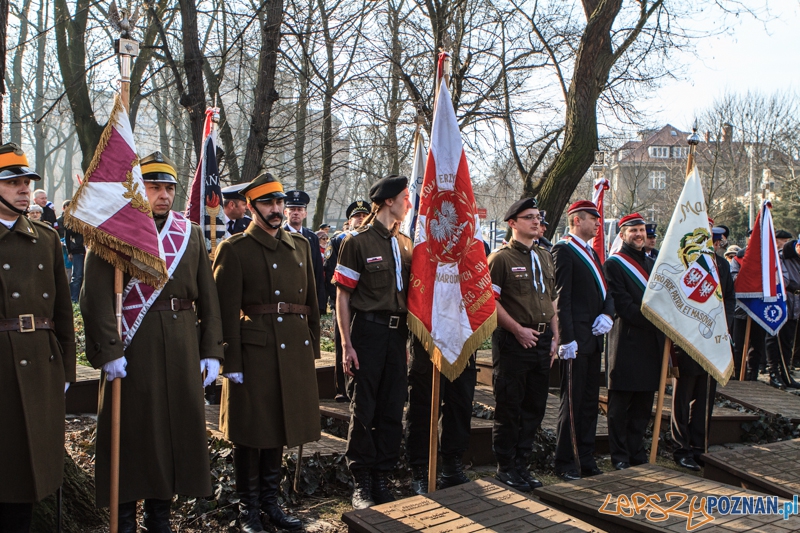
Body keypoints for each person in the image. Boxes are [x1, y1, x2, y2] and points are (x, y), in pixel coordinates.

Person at [80, 151, 224, 533]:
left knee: (173, 435)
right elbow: (93, 298)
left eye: (169, 188)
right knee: (130, 435)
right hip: (133, 349)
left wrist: (211, 351)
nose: (163, 195)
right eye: (154, 186)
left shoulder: (190, 233)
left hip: (181, 347)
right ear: (136, 188)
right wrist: (109, 351)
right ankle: (125, 521)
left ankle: (160, 519)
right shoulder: (113, 231)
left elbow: (209, 299)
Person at [213, 172, 320, 533]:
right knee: (250, 432)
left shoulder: (299, 246)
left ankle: (271, 504)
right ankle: (248, 509)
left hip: (292, 349)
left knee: (279, 425)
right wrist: (229, 359)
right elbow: (223, 310)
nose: (276, 209)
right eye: (268, 203)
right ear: (251, 206)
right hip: (254, 352)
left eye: (279, 202)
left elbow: (311, 301)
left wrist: (311, 344)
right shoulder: (235, 249)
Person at [0, 143, 75, 533]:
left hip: (42, 362)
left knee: (31, 471)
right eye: (13, 183)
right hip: (2, 363)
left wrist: (66, 366)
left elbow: (63, 311)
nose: (24, 189)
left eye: (27, 182)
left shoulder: (46, 238)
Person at [333, 176, 412, 509]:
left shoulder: (405, 244)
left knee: (392, 408)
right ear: (389, 201)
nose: (409, 203)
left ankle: (382, 476)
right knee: (363, 408)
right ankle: (362, 481)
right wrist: (346, 345)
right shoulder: (358, 242)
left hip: (397, 334)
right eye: (405, 197)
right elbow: (342, 297)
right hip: (367, 332)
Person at [485, 197, 557, 492]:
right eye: (529, 217)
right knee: (510, 406)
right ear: (513, 223)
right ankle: (506, 467)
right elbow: (490, 302)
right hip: (514, 341)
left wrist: (555, 336)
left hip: (542, 340)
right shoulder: (500, 259)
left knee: (534, 407)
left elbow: (552, 300)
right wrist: (517, 330)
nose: (536, 221)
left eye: (538, 217)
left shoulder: (545, 256)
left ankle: (522, 464)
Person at [552, 200, 614, 481]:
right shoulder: (564, 250)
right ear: (577, 220)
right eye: (593, 218)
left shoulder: (591, 252)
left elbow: (606, 291)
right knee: (573, 403)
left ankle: (585, 457)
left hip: (594, 338)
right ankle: (566, 461)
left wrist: (608, 314)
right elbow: (561, 298)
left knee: (589, 402)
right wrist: (566, 339)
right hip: (576, 341)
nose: (598, 223)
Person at [671, 226, 734, 471]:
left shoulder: (722, 265)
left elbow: (729, 298)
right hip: (688, 340)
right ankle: (681, 447)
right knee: (683, 396)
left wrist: (723, 326)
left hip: (713, 340)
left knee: (705, 395)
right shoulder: (684, 263)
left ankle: (699, 446)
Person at [603, 213, 663, 470]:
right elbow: (623, 304)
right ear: (623, 234)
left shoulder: (652, 264)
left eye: (641, 230)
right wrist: (657, 321)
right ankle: (619, 456)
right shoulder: (614, 264)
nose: (639, 235)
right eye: (633, 231)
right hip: (625, 343)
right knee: (620, 406)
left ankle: (636, 452)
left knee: (643, 404)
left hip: (651, 344)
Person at [324, 200, 371, 402]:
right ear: (349, 220)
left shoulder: (373, 241)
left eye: (364, 216)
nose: (360, 219)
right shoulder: (338, 241)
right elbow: (330, 274)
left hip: (365, 306)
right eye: (356, 216)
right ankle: (342, 389)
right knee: (342, 345)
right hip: (343, 303)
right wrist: (338, 301)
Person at [284, 190, 327, 315]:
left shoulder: (312, 237)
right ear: (285, 212)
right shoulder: (278, 236)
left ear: (305, 214)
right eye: (292, 209)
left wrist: (320, 303)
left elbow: (318, 271)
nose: (296, 212)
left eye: (299, 209)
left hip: (308, 295)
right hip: (287, 296)